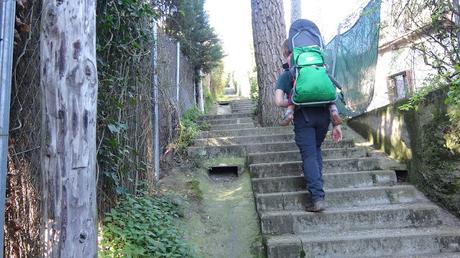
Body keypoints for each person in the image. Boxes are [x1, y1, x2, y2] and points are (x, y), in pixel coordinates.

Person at [274, 41, 343, 212]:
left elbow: (277, 101)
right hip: (324, 115)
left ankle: (317, 198)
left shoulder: (289, 74)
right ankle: (318, 187)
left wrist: (293, 102)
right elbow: (330, 93)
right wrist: (336, 125)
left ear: (287, 54)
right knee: (316, 149)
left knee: (310, 156)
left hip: (303, 117)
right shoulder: (319, 68)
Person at [278, 39, 342, 128]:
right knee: (328, 91)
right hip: (323, 109)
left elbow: (279, 101)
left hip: (304, 116)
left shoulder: (292, 71)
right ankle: (334, 111)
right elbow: (331, 82)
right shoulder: (316, 56)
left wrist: (302, 100)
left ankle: (289, 113)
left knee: (294, 92)